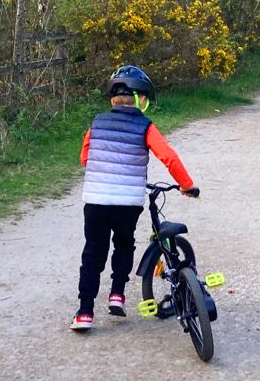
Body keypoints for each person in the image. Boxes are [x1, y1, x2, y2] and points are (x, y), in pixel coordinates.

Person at [71, 65, 198, 331]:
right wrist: (187, 185)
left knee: (93, 253)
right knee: (124, 244)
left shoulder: (96, 123)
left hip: (95, 201)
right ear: (140, 99)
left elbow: (85, 158)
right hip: (127, 203)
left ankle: (84, 313)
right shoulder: (145, 126)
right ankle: (117, 294)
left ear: (112, 98)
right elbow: (169, 157)